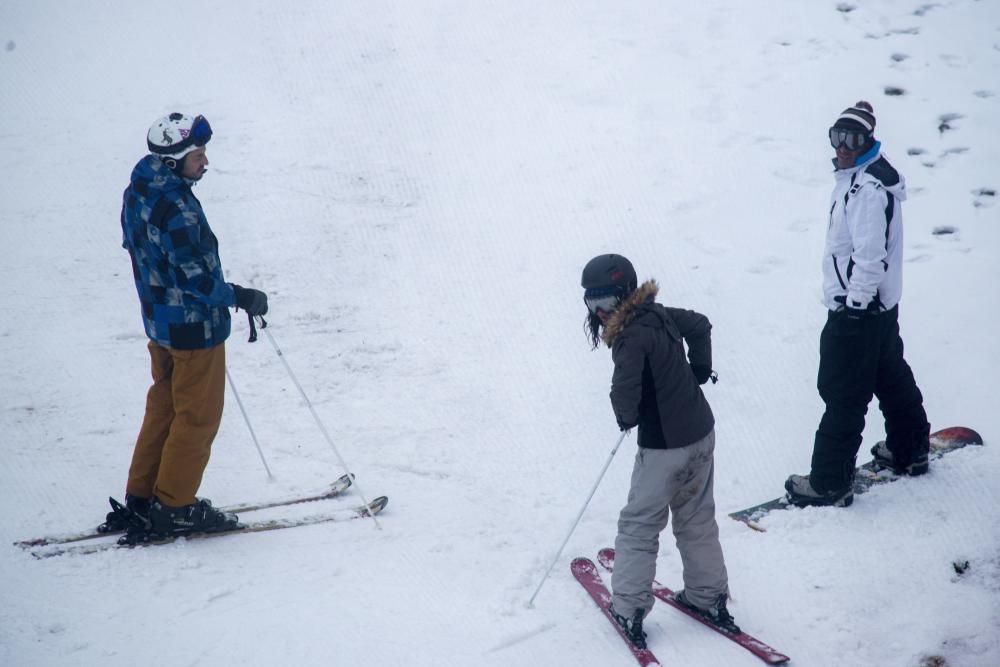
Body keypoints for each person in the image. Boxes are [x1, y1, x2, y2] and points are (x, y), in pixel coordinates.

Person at [109, 112, 269, 538]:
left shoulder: (140, 188)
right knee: (197, 418)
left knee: (164, 407)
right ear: (171, 161)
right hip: (193, 330)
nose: (205, 162)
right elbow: (197, 280)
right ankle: (175, 506)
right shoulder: (178, 208)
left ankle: (142, 496)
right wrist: (241, 297)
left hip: (159, 324)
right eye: (197, 155)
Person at [581, 253, 739, 649]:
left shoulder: (630, 337)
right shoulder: (659, 313)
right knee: (696, 516)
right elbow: (699, 324)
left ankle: (629, 608)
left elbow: (624, 390)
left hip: (664, 447)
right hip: (701, 433)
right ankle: (708, 596)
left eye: (604, 302)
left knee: (639, 523)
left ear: (623, 295)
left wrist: (627, 416)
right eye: (590, 303)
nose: (598, 313)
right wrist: (698, 370)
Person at [785, 101, 931, 508]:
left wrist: (854, 306)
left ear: (868, 141)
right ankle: (910, 448)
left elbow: (870, 256)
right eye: (837, 137)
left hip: (860, 310)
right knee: (889, 375)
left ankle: (830, 481)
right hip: (878, 310)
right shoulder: (862, 178)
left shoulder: (867, 189)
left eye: (852, 139)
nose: (843, 146)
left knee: (842, 391)